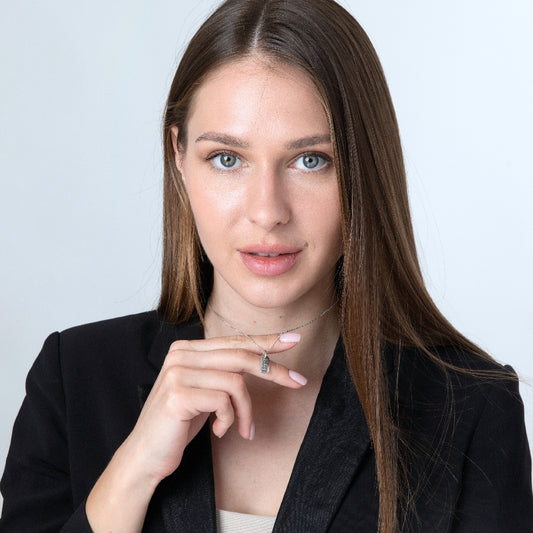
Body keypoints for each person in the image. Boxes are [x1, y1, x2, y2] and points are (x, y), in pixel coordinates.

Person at [1, 0, 532, 531]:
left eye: (311, 160)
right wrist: (133, 471)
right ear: (179, 158)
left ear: (363, 170)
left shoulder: (469, 408)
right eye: (227, 159)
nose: (267, 212)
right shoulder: (74, 379)